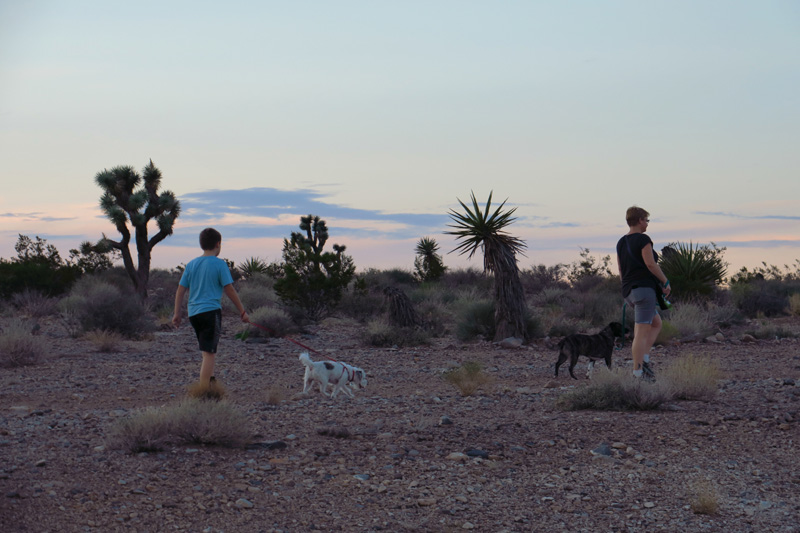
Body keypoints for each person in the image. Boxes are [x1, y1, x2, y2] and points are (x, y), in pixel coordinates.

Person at [172, 228, 249, 388]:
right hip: (210, 312)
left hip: (194, 314)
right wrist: (242, 311)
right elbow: (229, 289)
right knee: (210, 353)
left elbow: (180, 290)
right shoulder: (220, 264)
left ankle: (211, 382)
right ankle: (204, 390)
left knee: (206, 349)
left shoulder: (192, 264)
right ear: (218, 244)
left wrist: (177, 313)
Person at [616, 206, 671, 380]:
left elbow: (620, 269)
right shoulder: (643, 239)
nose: (647, 223)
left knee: (656, 323)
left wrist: (627, 291)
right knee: (640, 331)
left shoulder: (621, 242)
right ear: (640, 220)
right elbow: (650, 264)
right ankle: (638, 372)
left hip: (629, 291)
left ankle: (644, 360)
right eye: (646, 220)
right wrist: (665, 281)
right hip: (644, 290)